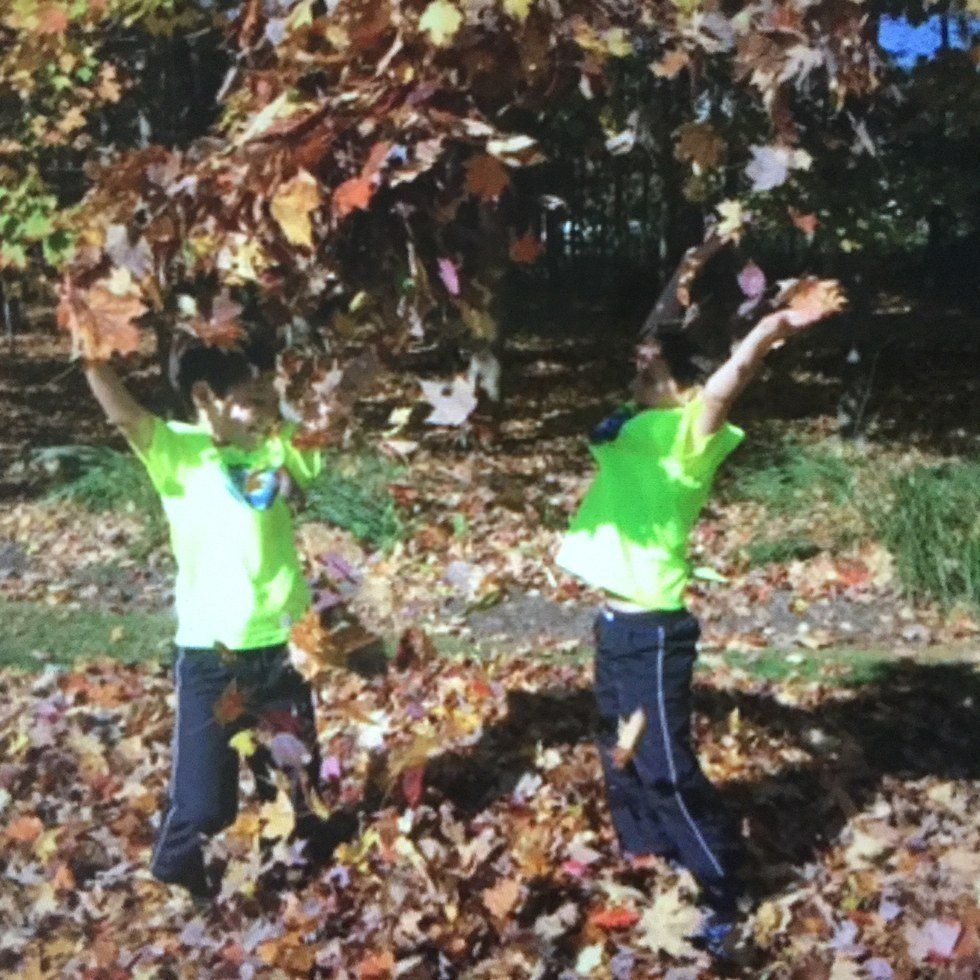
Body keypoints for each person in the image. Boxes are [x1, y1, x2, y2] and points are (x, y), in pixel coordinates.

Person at [556, 300, 839, 958]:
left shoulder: (688, 434)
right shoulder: (635, 424)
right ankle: (652, 854)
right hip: (614, 621)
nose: (641, 374)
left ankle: (722, 888)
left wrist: (768, 332)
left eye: (656, 375)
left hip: (654, 629)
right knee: (616, 746)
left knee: (664, 764)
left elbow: (725, 383)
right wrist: (694, 260)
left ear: (683, 391)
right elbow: (652, 336)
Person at [83, 339, 327, 901]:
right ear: (204, 397)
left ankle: (292, 887)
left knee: (293, 786)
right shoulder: (179, 450)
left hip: (283, 651)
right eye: (252, 398)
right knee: (202, 805)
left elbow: (328, 418)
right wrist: (95, 356)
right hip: (210, 658)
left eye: (271, 397)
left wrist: (362, 364)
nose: (267, 409)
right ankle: (178, 874)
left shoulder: (279, 447)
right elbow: (124, 415)